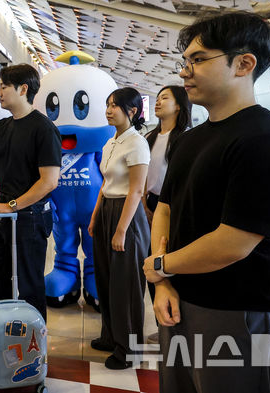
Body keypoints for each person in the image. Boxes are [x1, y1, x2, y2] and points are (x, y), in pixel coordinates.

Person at [143, 12, 270, 393]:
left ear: (244, 63)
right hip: (181, 303)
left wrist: (160, 266)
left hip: (241, 315)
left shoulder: (268, 140)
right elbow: (166, 207)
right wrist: (163, 283)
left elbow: (233, 243)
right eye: (185, 62)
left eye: (198, 60)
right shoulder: (191, 139)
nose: (184, 73)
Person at [0, 64, 62, 321]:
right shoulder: (3, 127)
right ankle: (4, 338)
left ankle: (34, 348)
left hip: (29, 217)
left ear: (23, 89)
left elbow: (49, 181)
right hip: (2, 216)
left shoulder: (44, 129)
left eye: (4, 86)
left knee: (29, 286)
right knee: (0, 284)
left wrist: (13, 205)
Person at [89, 87, 150, 370]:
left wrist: (121, 230)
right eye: (108, 104)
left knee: (126, 285)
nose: (109, 110)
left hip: (128, 215)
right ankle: (111, 335)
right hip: (107, 211)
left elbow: (136, 190)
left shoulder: (137, 143)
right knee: (105, 277)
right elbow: (105, 183)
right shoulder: (110, 142)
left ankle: (129, 349)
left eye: (115, 106)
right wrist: (94, 217)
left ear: (132, 111)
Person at [142, 85, 192, 344]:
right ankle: (163, 324)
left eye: (165, 98)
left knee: (170, 265)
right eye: (157, 98)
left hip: (173, 205)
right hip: (148, 204)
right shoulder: (149, 137)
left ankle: (176, 327)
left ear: (180, 106)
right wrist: (145, 204)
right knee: (152, 266)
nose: (158, 102)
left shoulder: (185, 138)